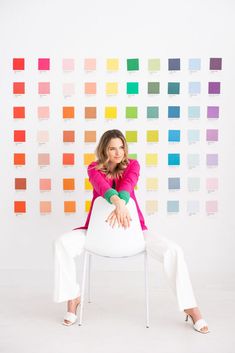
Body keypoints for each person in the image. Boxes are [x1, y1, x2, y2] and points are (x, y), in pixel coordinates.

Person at [53, 129, 209, 333]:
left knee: (174, 250)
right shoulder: (93, 168)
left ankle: (191, 307)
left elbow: (128, 184)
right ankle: (72, 297)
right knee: (61, 243)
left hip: (134, 232)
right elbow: (101, 186)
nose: (118, 152)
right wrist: (117, 203)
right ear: (104, 150)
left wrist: (121, 201)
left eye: (121, 147)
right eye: (112, 148)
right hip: (95, 234)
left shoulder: (133, 165)